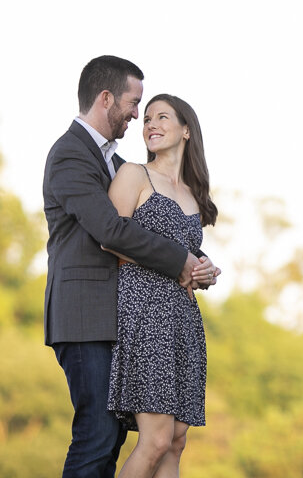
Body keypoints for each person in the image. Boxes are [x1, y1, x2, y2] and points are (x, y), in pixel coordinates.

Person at [43, 57, 219, 478]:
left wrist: (200, 266)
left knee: (125, 439)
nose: (139, 116)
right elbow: (110, 229)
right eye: (135, 103)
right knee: (98, 435)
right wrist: (181, 262)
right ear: (106, 99)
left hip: (126, 316)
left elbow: (160, 229)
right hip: (86, 315)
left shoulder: (118, 164)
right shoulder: (70, 154)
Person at [106, 93, 219, 478]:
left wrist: (205, 270)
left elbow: (187, 257)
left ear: (186, 130)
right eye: (147, 118)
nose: (150, 123)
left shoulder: (193, 193)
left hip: (184, 320)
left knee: (175, 442)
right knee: (154, 440)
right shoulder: (133, 175)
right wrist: (178, 264)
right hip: (145, 312)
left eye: (162, 117)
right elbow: (110, 240)